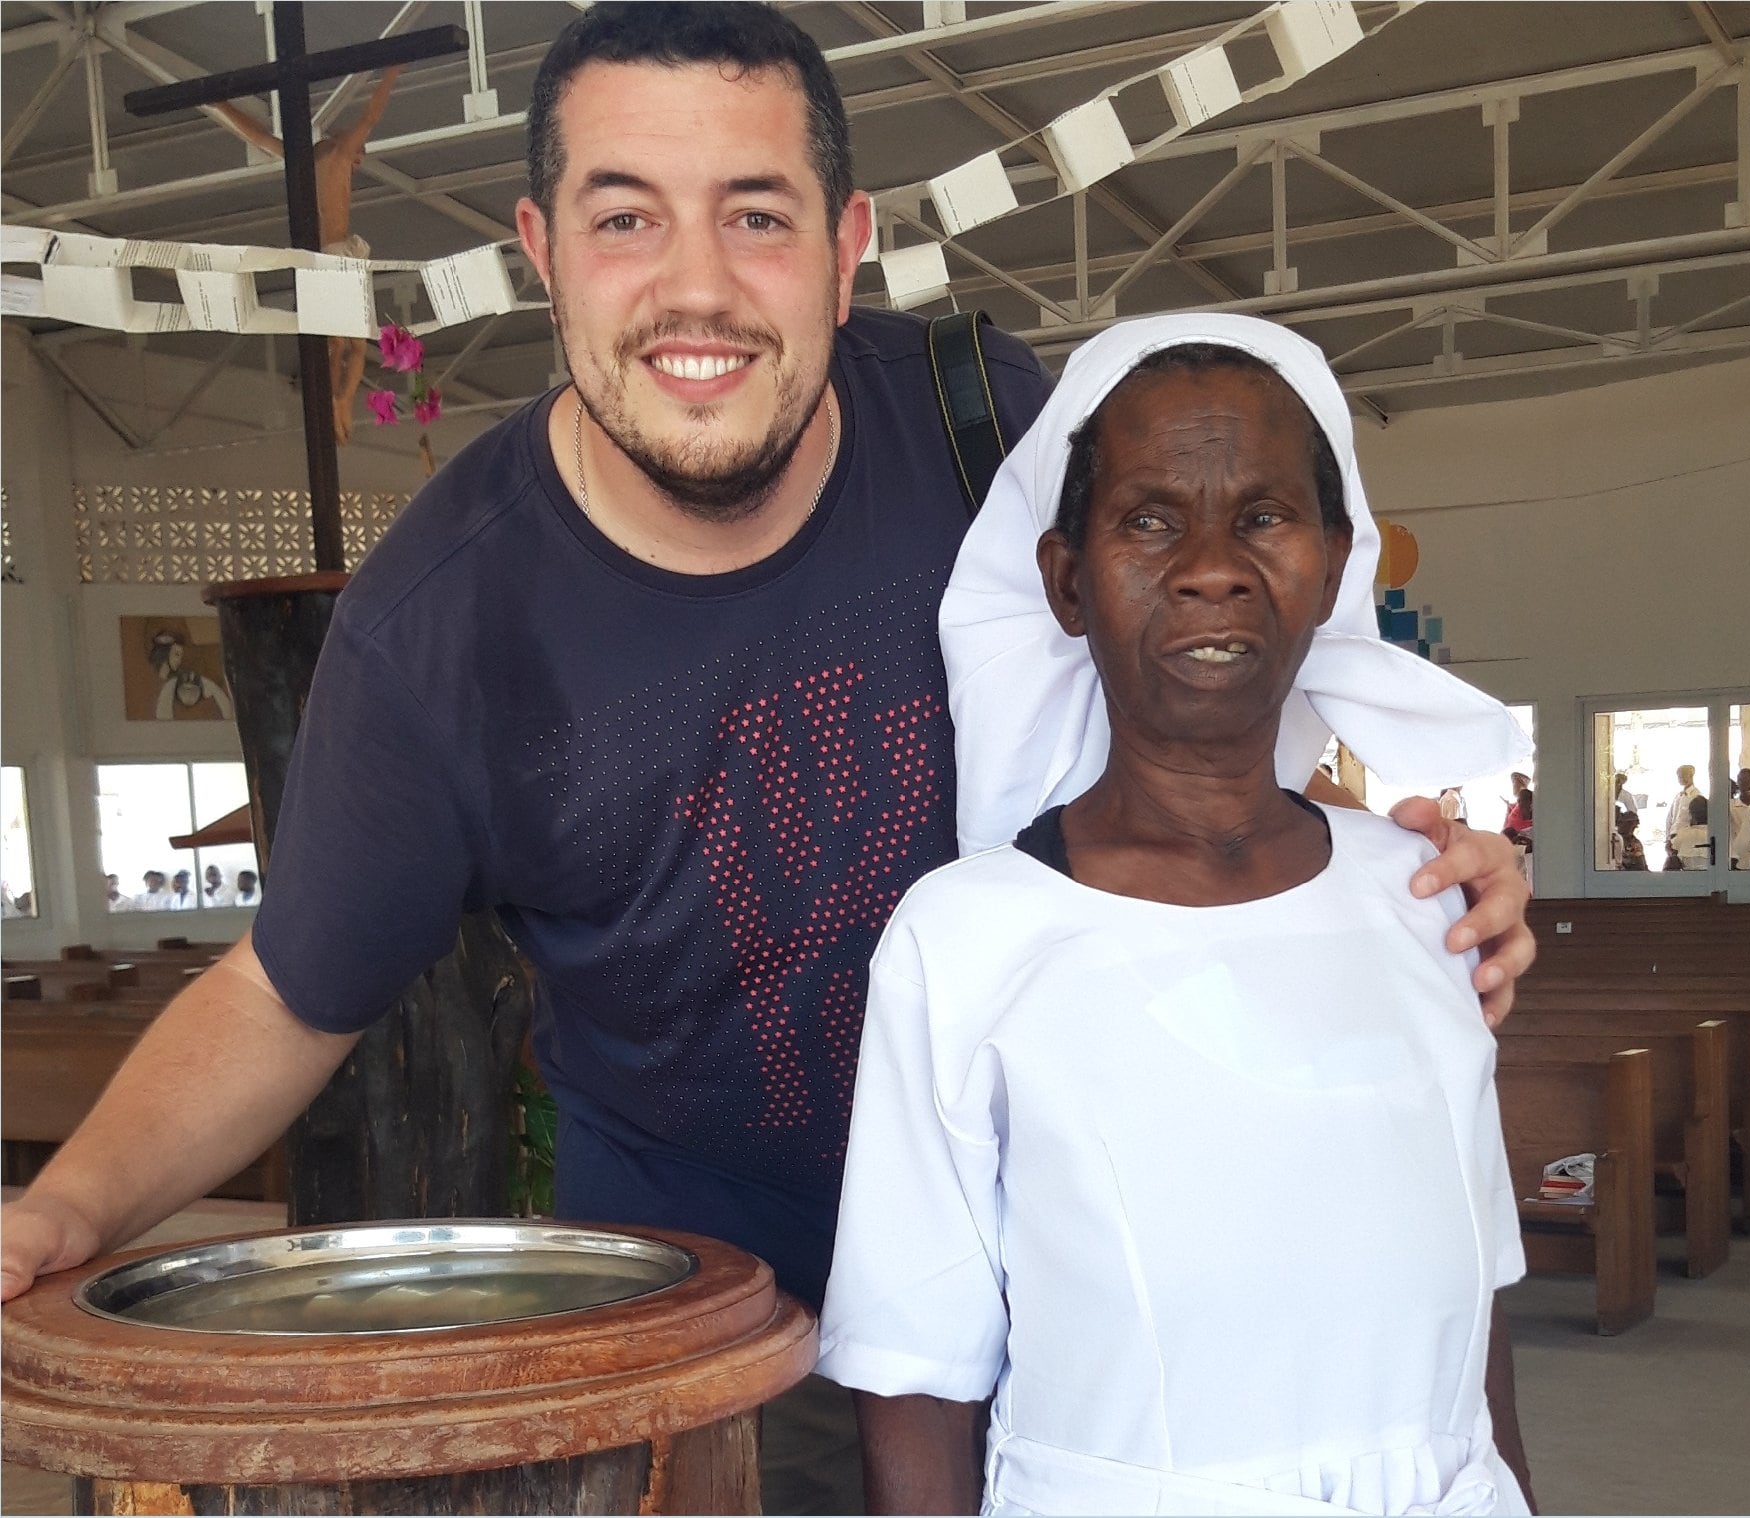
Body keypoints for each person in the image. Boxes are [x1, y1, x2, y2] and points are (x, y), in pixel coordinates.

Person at [0, 8, 1535, 1509]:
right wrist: (61, 1206)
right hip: (734, 1331)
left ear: (847, 237)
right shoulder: (446, 626)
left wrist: (1412, 877)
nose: (696, 287)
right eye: (625, 219)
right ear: (538, 248)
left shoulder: (977, 429)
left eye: (755, 215)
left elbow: (1229, 657)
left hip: (1107, 1278)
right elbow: (286, 990)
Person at [819, 317, 1535, 1516]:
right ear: (1064, 580)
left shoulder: (1423, 902)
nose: (1213, 565)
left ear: (1335, 560)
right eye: (1149, 520)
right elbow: (915, 1377)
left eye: (1262, 515)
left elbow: (1476, 1318)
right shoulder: (967, 941)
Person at [209, 67, 405, 446]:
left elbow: (258, 135)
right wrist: (394, 71)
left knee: (334, 342)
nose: (360, 159)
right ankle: (340, 402)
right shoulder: (341, 151)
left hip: (317, 258)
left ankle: (333, 401)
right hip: (335, 256)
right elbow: (371, 116)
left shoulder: (302, 158)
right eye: (360, 152)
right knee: (353, 343)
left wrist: (223, 106)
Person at [1664, 764, 1701, 860]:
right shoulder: (1678, 796)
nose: (1681, 778)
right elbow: (1670, 818)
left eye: (1684, 775)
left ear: (1691, 776)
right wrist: (1668, 839)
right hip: (1673, 838)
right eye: (1679, 776)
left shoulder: (1696, 796)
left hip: (1685, 839)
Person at [1674, 794, 1712, 869]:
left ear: (1691, 814)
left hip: (1687, 878)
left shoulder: (1683, 834)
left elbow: (1675, 850)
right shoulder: (1718, 835)